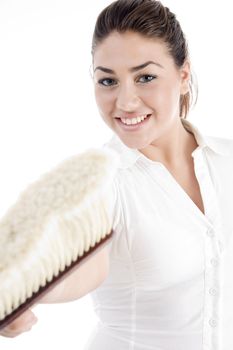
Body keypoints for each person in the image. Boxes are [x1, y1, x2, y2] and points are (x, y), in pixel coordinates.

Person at [1, 0, 233, 349]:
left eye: (146, 77)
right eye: (108, 80)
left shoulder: (227, 159)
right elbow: (84, 269)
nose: (125, 102)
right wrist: (20, 293)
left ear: (183, 76)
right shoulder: (104, 182)